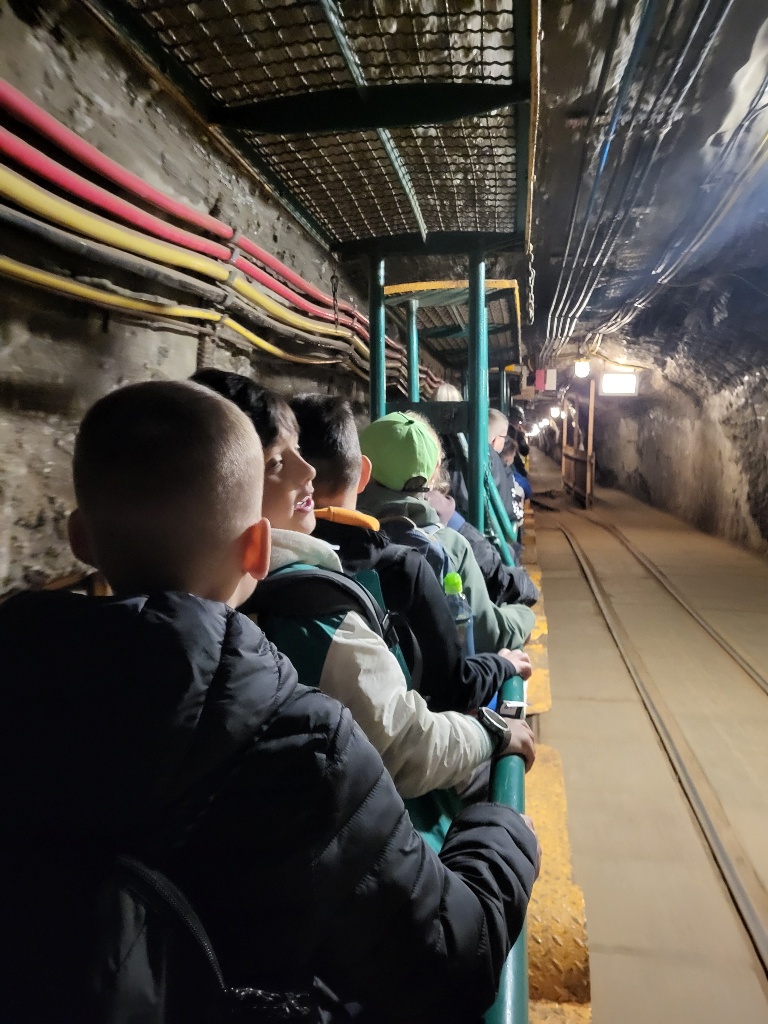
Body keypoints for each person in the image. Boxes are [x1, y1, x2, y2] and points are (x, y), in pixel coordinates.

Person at [0, 379, 539, 1024]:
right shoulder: (302, 740)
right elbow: (450, 958)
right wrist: (502, 827)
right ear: (258, 550)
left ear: (80, 539)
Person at [192, 369, 535, 801]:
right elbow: (412, 736)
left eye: (298, 452)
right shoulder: (329, 597)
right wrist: (495, 712)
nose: (306, 471)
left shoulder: (198, 600)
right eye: (277, 461)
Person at [289, 392, 532, 712]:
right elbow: (485, 637)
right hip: (428, 717)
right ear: (432, 474)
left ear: (364, 471)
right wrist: (524, 616)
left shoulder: (307, 541)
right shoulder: (444, 547)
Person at [358, 412, 536, 654]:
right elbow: (489, 634)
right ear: (434, 474)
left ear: (361, 467)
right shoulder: (451, 545)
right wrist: (524, 615)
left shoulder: (336, 531)